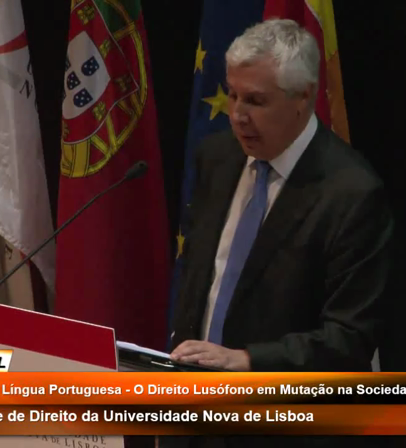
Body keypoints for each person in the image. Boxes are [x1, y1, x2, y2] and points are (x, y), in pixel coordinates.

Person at [161, 18, 393, 448]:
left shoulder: (351, 194)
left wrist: (247, 361)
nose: (237, 115)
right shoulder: (217, 157)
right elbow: (199, 278)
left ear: (303, 96)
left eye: (256, 100)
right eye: (232, 94)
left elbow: (349, 338)